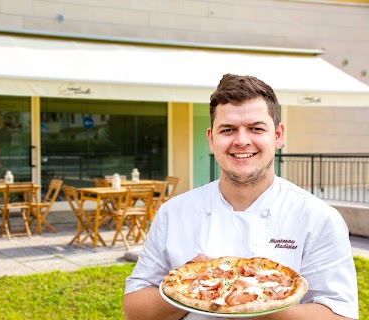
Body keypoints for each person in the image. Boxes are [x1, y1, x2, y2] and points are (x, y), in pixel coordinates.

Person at [123, 74, 358, 320]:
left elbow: (340, 314)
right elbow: (134, 310)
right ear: (211, 139)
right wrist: (197, 282)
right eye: (228, 130)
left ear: (278, 136)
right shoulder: (173, 212)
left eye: (256, 128)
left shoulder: (318, 218)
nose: (242, 140)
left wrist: (255, 294)